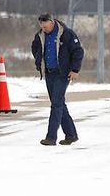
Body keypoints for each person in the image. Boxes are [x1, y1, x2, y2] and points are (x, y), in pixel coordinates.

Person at [31, 12, 83, 146]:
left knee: (56, 104)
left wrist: (74, 69)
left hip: (63, 73)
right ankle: (71, 135)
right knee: (59, 104)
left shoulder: (66, 34)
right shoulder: (40, 36)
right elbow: (35, 48)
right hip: (49, 73)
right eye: (42, 27)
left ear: (52, 22)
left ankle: (51, 137)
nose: (44, 29)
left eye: (46, 27)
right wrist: (39, 61)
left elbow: (78, 51)